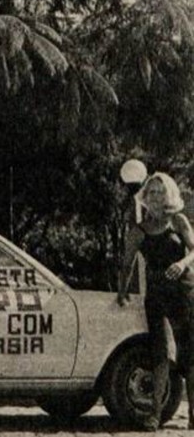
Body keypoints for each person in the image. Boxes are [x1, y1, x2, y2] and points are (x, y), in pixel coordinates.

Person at [118, 172, 194, 431]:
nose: (156, 196)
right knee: (160, 354)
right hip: (157, 296)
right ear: (145, 197)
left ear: (170, 194)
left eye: (161, 192)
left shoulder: (179, 221)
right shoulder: (139, 230)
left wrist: (182, 262)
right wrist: (121, 291)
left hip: (183, 291)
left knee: (189, 354)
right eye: (151, 192)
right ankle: (155, 414)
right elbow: (126, 264)